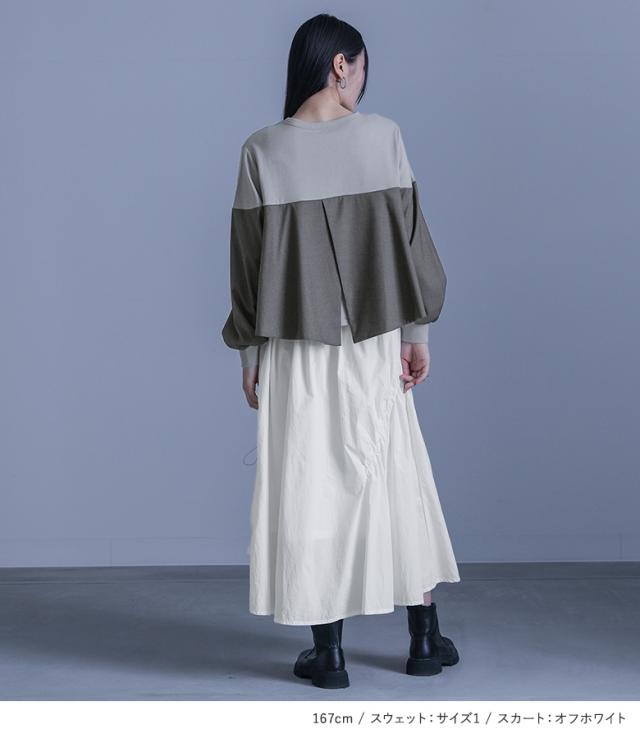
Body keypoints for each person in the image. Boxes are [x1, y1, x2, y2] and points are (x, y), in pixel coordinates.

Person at [221, 13, 461, 689]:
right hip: (376, 338)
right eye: (360, 70)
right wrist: (417, 336)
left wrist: (249, 356)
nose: (361, 83)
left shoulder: (262, 149)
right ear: (340, 65)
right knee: (396, 475)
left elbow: (246, 269)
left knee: (309, 486)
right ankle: (422, 638)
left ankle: (328, 654)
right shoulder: (384, 137)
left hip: (293, 344)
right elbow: (413, 248)